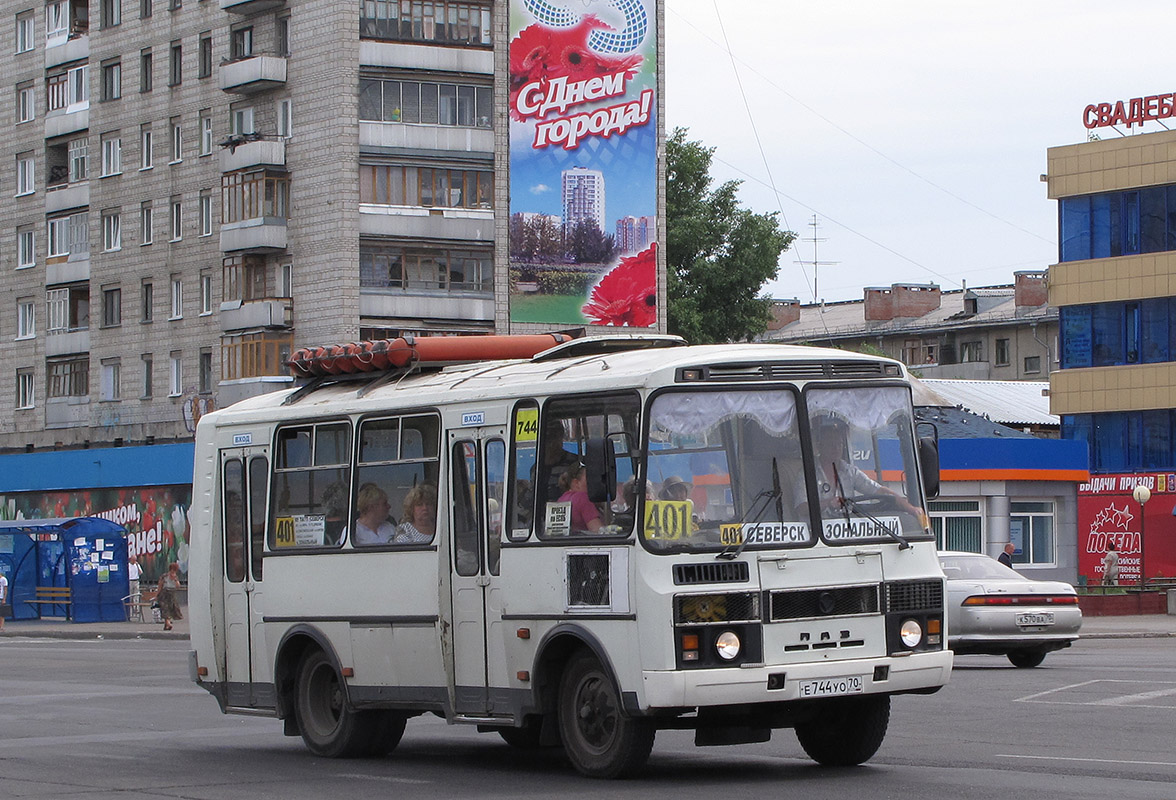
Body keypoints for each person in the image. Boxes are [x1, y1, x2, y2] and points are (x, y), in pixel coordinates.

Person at [800, 416, 922, 518]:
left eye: (839, 444)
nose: (836, 448)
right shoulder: (807, 473)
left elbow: (880, 491)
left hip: (847, 532)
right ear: (819, 446)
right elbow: (801, 508)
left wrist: (912, 509)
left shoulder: (849, 471)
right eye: (831, 444)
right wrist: (828, 503)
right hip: (817, 535)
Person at [558, 462, 602, 534]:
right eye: (590, 478)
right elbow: (598, 531)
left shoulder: (561, 499)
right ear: (576, 483)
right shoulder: (582, 498)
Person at [156, 562, 182, 631]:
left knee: (171, 609)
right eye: (172, 570)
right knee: (165, 609)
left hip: (172, 594)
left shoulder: (175, 577)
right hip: (164, 594)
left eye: (175, 570)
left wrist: (175, 580)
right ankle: (168, 623)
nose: (173, 572)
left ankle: (166, 625)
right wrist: (157, 594)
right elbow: (160, 585)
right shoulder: (164, 576)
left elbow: (178, 586)